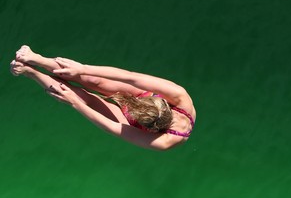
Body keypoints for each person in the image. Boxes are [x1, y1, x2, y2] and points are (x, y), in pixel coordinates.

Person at [10, 45, 196, 150]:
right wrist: (83, 68)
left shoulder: (164, 141)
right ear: (164, 104)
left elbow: (112, 127)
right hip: (143, 96)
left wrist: (75, 103)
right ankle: (38, 59)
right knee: (94, 80)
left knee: (84, 98)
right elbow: (132, 77)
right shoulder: (179, 97)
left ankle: (29, 72)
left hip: (132, 121)